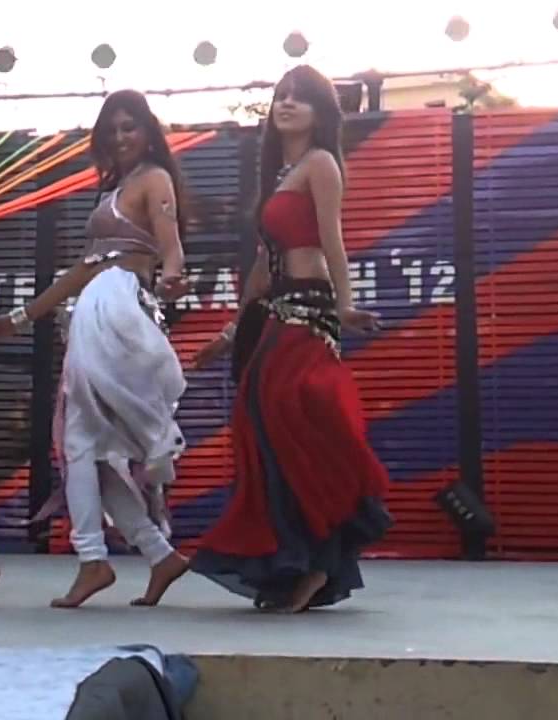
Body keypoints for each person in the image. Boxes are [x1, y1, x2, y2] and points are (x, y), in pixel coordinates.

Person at [187, 65, 393, 613]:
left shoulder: (321, 163)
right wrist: (230, 332)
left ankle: (319, 559)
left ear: (321, 113)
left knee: (289, 417)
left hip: (309, 306)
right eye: (281, 96)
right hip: (276, 309)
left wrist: (344, 304)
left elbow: (333, 240)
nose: (286, 104)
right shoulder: (282, 174)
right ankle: (292, 559)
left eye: (300, 98)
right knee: (258, 419)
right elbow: (263, 264)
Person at [0, 90, 190, 609]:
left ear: (148, 132)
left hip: (118, 310)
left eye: (129, 127)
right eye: (112, 129)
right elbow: (81, 270)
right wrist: (21, 317)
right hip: (98, 308)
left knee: (78, 441)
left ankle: (94, 560)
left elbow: (171, 246)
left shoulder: (154, 179)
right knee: (88, 450)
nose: (120, 137)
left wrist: (171, 276)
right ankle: (157, 554)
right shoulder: (116, 187)